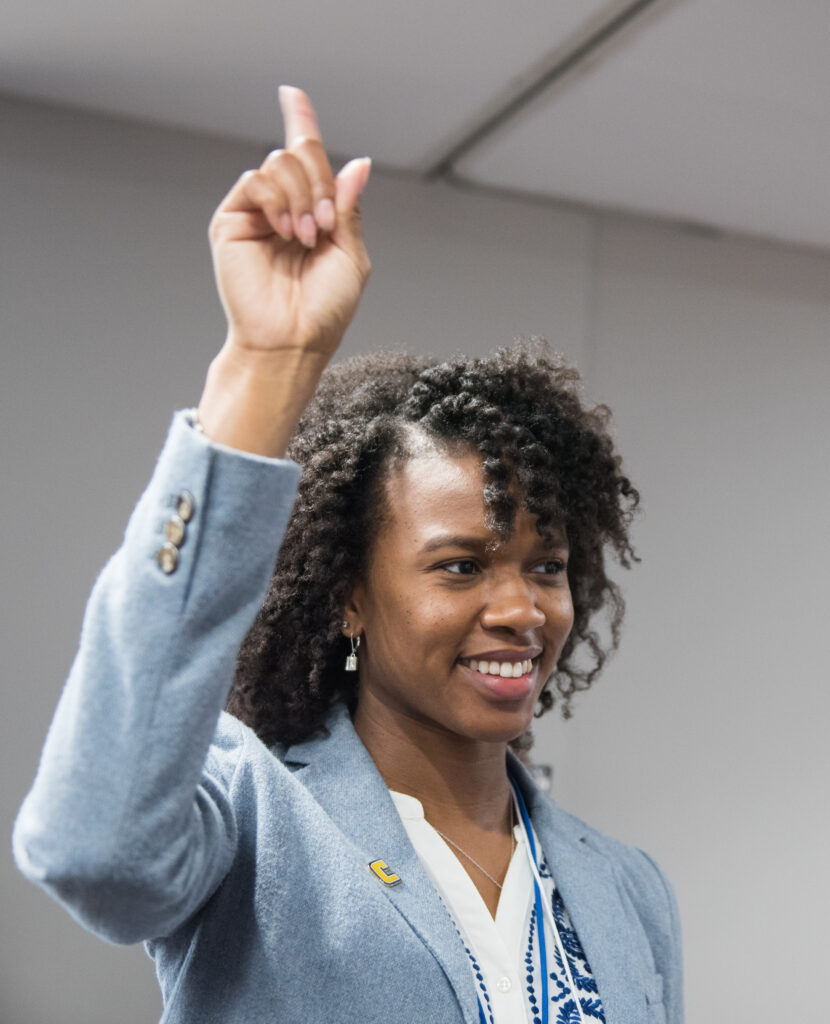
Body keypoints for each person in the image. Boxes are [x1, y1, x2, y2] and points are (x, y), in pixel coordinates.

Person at [13, 87, 683, 1024]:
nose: (521, 609)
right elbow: (93, 850)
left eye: (545, 566)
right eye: (460, 566)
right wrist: (265, 363)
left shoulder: (628, 892)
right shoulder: (254, 822)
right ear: (349, 598)